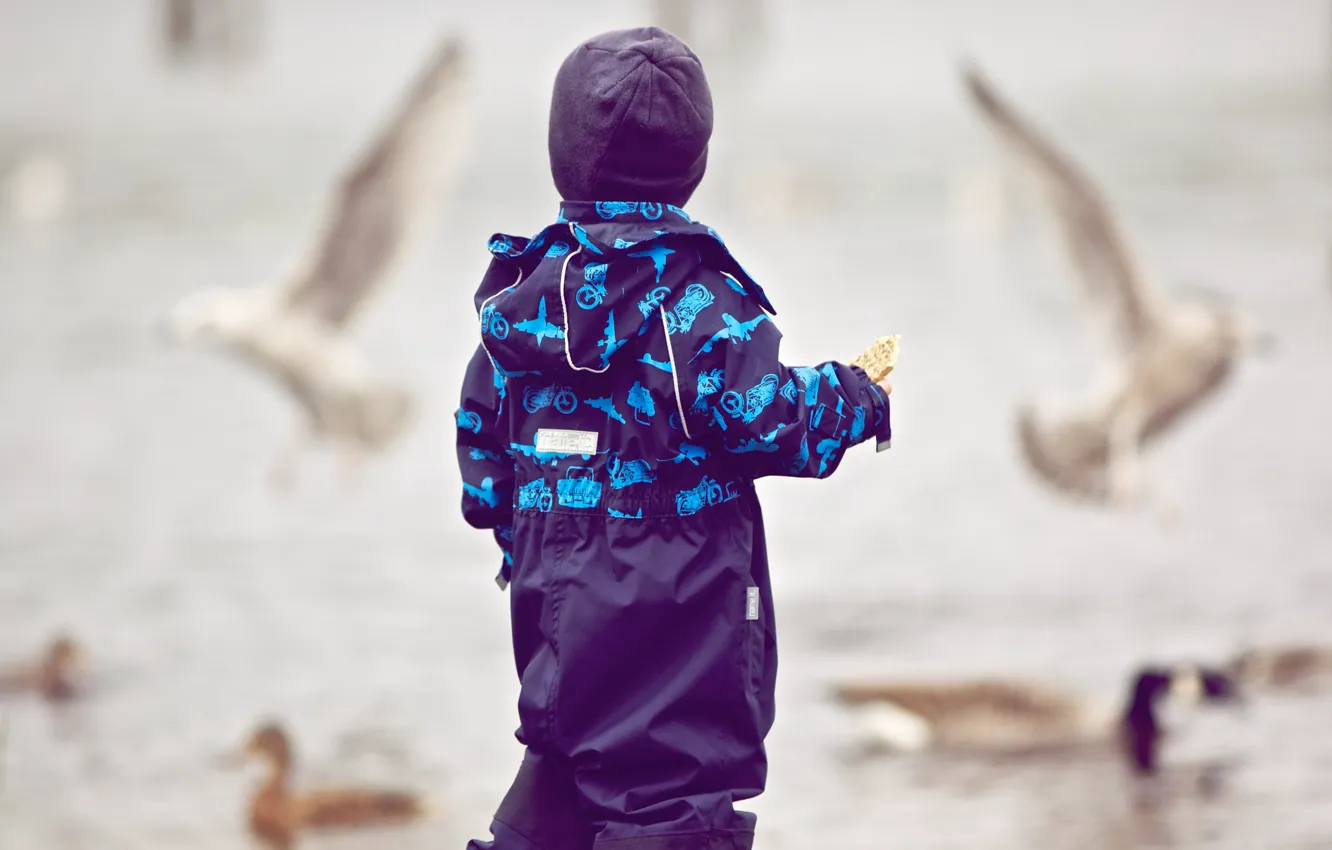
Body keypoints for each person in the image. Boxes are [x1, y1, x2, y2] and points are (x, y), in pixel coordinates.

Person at [455, 25, 893, 850]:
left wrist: (521, 535)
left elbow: (482, 459)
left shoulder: (521, 307)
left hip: (558, 632)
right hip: (676, 649)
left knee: (563, 779)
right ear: (691, 167)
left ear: (562, 153)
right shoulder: (700, 314)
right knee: (671, 814)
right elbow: (776, 420)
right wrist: (858, 396)